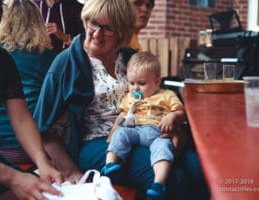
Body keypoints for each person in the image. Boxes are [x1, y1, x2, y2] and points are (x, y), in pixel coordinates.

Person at [33, 0, 208, 199]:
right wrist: (73, 172)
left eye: (108, 29)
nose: (97, 34)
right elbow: (43, 128)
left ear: (122, 33)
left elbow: (162, 98)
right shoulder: (67, 63)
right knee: (172, 178)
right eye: (93, 23)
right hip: (98, 144)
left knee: (197, 167)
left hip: (147, 131)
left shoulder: (130, 58)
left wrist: (178, 132)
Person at [0, 0, 63, 199]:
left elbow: (21, 118)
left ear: (0, 15)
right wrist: (12, 177)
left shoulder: (2, 59)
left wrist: (43, 163)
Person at [103, 52, 187, 199]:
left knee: (163, 150)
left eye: (142, 84)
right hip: (136, 130)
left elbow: (181, 113)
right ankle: (110, 164)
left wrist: (172, 116)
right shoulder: (129, 98)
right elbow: (122, 115)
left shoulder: (166, 95)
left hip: (158, 133)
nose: (135, 88)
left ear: (157, 81)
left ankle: (158, 184)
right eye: (132, 83)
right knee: (121, 134)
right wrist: (114, 130)